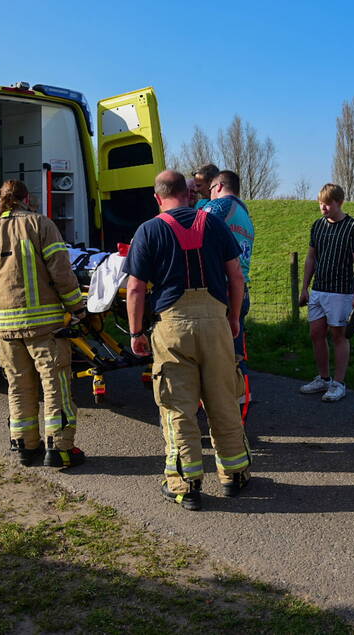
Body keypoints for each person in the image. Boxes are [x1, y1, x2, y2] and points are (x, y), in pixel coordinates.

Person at [124, 170, 251, 511]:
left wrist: (136, 333)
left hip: (173, 327)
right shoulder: (213, 223)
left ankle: (186, 483)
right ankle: (234, 474)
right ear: (189, 193)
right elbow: (235, 277)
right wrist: (234, 318)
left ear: (158, 197)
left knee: (177, 406)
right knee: (223, 399)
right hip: (216, 324)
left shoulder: (149, 230)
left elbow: (135, 288)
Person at [0, 180, 87, 469]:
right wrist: (77, 306)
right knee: (55, 386)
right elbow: (61, 271)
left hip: (7, 329)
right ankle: (60, 449)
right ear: (27, 198)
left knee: (18, 386)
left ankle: (25, 447)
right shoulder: (41, 224)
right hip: (45, 328)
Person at [298, 183, 354, 402]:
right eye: (321, 204)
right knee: (316, 333)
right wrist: (304, 287)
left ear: (339, 202)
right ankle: (324, 378)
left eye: (328, 204)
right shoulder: (317, 226)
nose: (323, 208)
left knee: (339, 335)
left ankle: (339, 383)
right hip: (318, 289)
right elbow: (311, 257)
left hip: (341, 291)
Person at [201, 170, 255, 425]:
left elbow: (195, 231)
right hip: (241, 289)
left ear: (219, 186)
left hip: (220, 289)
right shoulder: (245, 214)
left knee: (213, 357)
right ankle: (240, 412)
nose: (207, 194)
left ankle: (220, 414)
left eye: (209, 189)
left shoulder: (219, 206)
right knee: (236, 355)